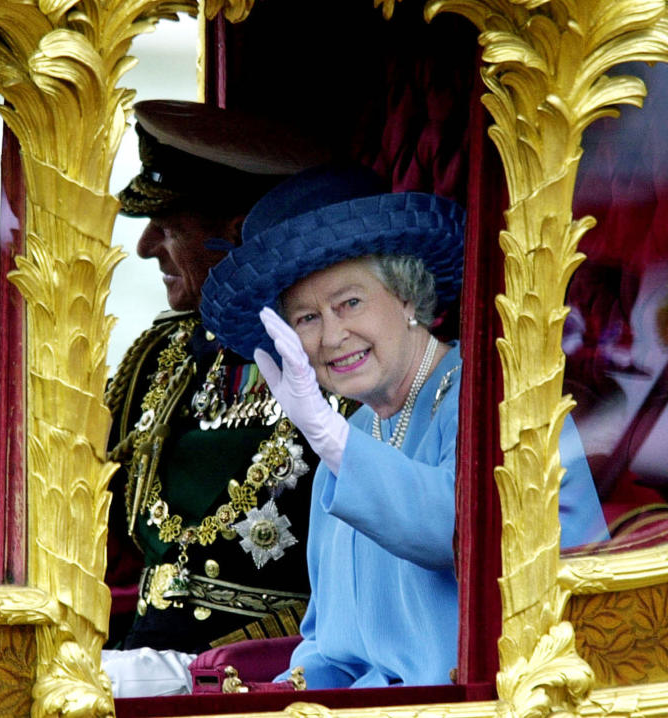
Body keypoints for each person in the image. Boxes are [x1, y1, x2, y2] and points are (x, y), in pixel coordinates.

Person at [0, 100, 342, 694]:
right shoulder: (164, 358)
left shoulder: (344, 367)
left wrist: (196, 677)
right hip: (130, 664)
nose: (144, 247)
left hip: (269, 682)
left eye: (167, 226)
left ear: (236, 235)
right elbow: (52, 492)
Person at [200, 164, 610, 688]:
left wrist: (327, 435)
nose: (331, 336)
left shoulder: (496, 399)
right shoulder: (351, 437)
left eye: (349, 303)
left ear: (407, 296)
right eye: (306, 318)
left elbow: (457, 532)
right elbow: (331, 650)